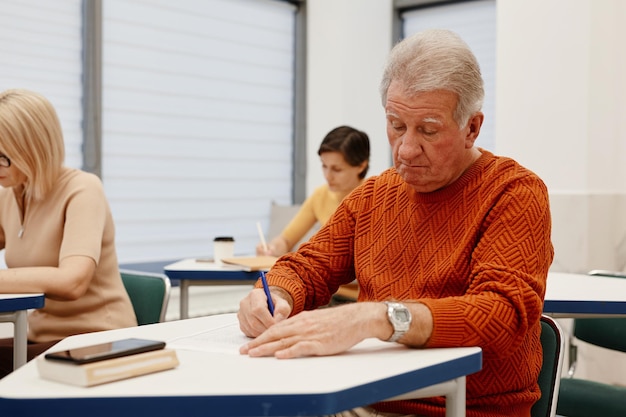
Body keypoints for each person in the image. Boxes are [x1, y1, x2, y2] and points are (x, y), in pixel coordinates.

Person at [238, 29, 553, 417]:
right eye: (396, 125)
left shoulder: (514, 194)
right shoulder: (374, 195)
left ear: (472, 128)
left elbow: (500, 316)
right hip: (366, 397)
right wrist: (275, 298)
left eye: (428, 130)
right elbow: (307, 267)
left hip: (465, 408)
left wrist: (380, 317)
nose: (405, 149)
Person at [0, 89, 137, 378]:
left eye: (3, 155)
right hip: (38, 336)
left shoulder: (83, 189)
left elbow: (72, 281)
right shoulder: (11, 193)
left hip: (96, 338)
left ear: (32, 147)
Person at [256, 125, 370, 257]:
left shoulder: (376, 196)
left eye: (337, 169)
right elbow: (286, 239)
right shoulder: (320, 196)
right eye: (324, 166)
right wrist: (273, 248)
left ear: (361, 166)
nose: (327, 176)